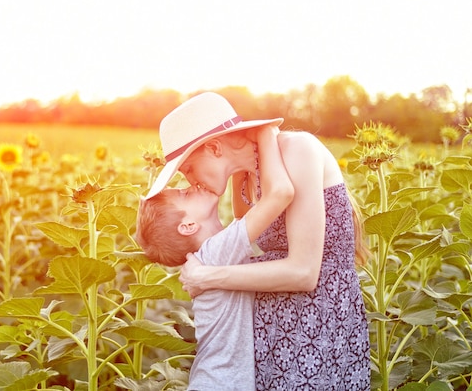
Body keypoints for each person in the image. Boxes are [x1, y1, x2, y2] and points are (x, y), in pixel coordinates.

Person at [145, 92, 371, 390]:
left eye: (188, 169)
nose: (190, 182)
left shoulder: (297, 150)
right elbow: (245, 241)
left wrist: (208, 276)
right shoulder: (242, 177)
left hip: (320, 320)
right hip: (269, 328)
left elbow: (304, 273)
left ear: (213, 147)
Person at [137, 124, 293, 390]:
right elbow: (280, 194)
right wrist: (264, 132)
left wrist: (233, 165)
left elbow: (242, 216)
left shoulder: (209, 254)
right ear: (188, 226)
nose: (191, 185)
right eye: (185, 194)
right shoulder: (215, 252)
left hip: (214, 379)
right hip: (223, 382)